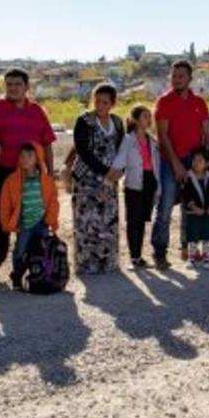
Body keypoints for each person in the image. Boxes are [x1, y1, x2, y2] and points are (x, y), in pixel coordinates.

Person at [0, 69, 57, 278]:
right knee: (1, 220)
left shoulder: (37, 111)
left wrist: (49, 175)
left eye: (17, 84)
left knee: (32, 219)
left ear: (27, 87)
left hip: (33, 175)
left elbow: (47, 144)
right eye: (9, 84)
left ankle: (29, 267)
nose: (13, 88)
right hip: (2, 173)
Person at [152, 61, 209, 269]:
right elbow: (163, 137)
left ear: (189, 79)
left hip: (195, 162)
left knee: (191, 206)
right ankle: (159, 251)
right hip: (171, 161)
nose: (176, 79)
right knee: (166, 207)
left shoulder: (199, 103)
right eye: (174, 75)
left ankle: (188, 247)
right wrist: (176, 164)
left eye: (181, 76)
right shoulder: (164, 102)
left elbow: (207, 133)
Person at [71, 83, 123, 275]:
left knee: (108, 220)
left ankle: (108, 262)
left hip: (110, 179)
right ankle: (86, 264)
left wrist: (118, 171)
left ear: (112, 103)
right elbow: (83, 151)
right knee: (87, 221)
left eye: (105, 102)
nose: (100, 105)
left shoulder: (117, 122)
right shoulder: (84, 121)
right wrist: (105, 170)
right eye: (97, 101)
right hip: (87, 178)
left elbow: (120, 149)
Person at [0, 143, 59, 288]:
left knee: (43, 251)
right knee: (20, 250)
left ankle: (43, 275)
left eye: (29, 156)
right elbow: (5, 203)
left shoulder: (46, 181)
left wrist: (50, 219)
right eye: (22, 156)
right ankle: (17, 276)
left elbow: (53, 202)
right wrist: (7, 222)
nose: (25, 159)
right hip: (24, 224)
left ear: (38, 158)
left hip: (42, 223)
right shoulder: (12, 181)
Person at [109, 105, 161, 269]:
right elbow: (120, 159)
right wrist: (110, 176)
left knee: (143, 220)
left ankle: (139, 256)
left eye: (149, 117)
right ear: (136, 120)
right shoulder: (128, 139)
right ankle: (134, 256)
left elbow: (156, 164)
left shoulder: (152, 141)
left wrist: (158, 185)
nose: (148, 120)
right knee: (133, 220)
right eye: (145, 116)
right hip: (133, 183)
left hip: (149, 182)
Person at [180, 149, 209, 264]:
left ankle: (207, 258)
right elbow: (185, 195)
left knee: (207, 236)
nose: (196, 162)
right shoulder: (188, 177)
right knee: (192, 236)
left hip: (207, 213)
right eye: (194, 160)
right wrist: (193, 207)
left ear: (207, 164)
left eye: (200, 160)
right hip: (193, 213)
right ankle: (191, 258)